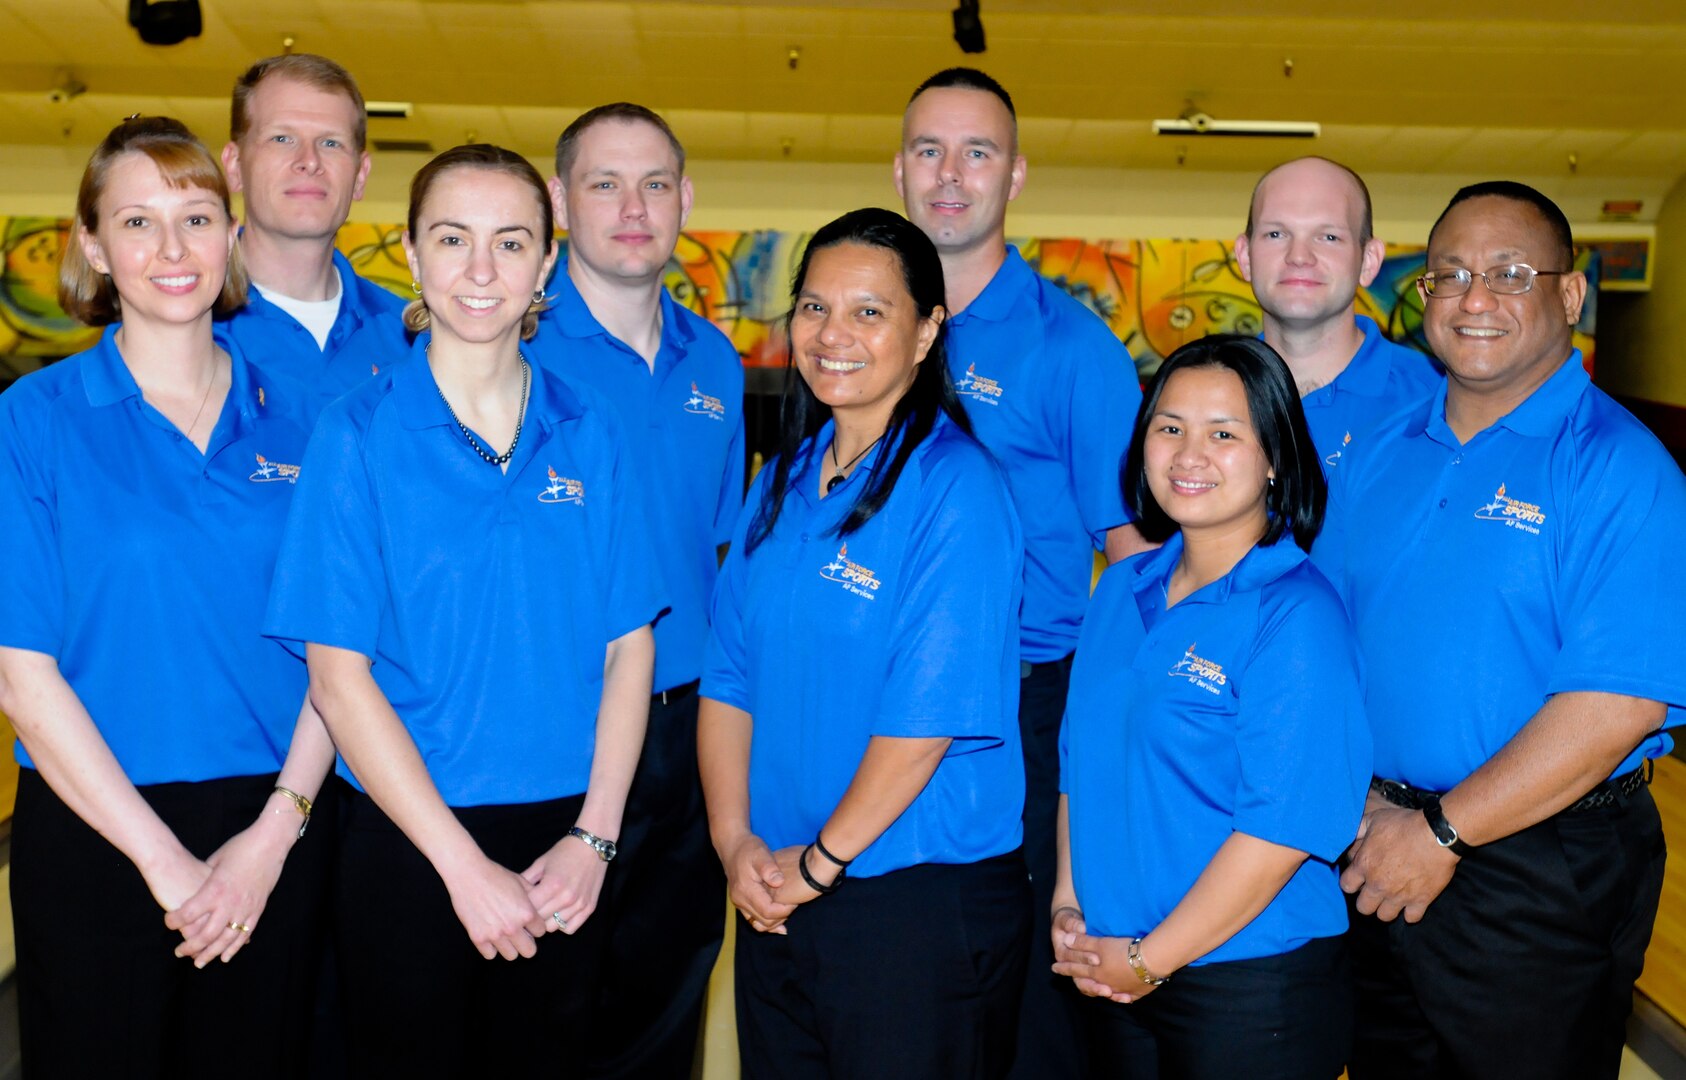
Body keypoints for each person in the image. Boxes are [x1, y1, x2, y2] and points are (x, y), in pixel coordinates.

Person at [261, 144, 660, 1075]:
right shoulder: (355, 434)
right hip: (406, 841)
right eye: (453, 239)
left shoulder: (590, 427)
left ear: (546, 264)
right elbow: (337, 675)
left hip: (566, 843)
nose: (481, 272)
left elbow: (629, 648)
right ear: (410, 252)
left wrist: (595, 839)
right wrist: (459, 866)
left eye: (510, 242)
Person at [1320, 181, 1686, 1080]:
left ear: (1569, 295)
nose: (1474, 298)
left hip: (1539, 865)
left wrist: (1441, 832)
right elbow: (1323, 638)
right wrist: (1352, 798)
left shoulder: (1620, 467)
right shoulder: (1380, 452)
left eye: (1509, 273)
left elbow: (1621, 706)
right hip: (1375, 837)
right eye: (1448, 274)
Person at [0, 116, 333, 1078]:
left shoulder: (313, 426)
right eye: (137, 223)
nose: (172, 249)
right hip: (97, 823)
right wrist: (164, 864)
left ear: (232, 236)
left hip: (277, 821)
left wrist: (273, 834)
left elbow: (339, 656)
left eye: (196, 216)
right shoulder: (32, 421)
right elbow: (22, 678)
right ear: (94, 246)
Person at [699, 207, 1028, 1079]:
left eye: (869, 312)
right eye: (813, 307)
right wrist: (736, 843)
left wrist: (819, 864)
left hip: (910, 906)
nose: (832, 334)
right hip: (777, 889)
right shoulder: (782, 480)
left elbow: (923, 724)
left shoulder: (956, 488)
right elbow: (730, 677)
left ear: (927, 332)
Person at [894, 66, 1146, 1076]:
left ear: (1016, 175)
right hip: (890, 698)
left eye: (978, 152)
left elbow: (1132, 559)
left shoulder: (1073, 349)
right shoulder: (865, 330)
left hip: (1032, 701)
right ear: (899, 167)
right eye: (929, 150)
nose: (950, 176)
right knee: (917, 962)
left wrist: (1110, 735)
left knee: (1037, 982)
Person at [1053, 334, 1369, 1078]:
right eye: (1170, 428)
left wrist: (1149, 958)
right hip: (1113, 966)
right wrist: (1071, 905)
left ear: (1274, 460)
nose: (1189, 454)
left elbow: (1281, 829)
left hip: (1251, 988)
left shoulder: (1296, 615)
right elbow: (1082, 768)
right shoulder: (1117, 593)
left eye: (1224, 434)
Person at [533, 102, 743, 1078]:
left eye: (655, 183)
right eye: (604, 183)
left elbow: (725, 541)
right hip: (557, 722)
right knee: (549, 995)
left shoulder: (714, 359)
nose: (632, 207)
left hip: (693, 723)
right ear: (559, 200)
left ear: (685, 200)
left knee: (668, 995)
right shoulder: (516, 348)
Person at [217, 53, 406, 415]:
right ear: (234, 165)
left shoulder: (412, 341)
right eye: (282, 138)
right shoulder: (184, 325)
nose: (309, 160)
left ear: (360, 175)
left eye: (331, 143)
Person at [1234, 156, 1440, 470]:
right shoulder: (1201, 399)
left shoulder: (1439, 400)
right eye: (1276, 234)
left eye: (1329, 237)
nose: (1299, 256)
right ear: (1246, 256)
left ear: (1369, 261)